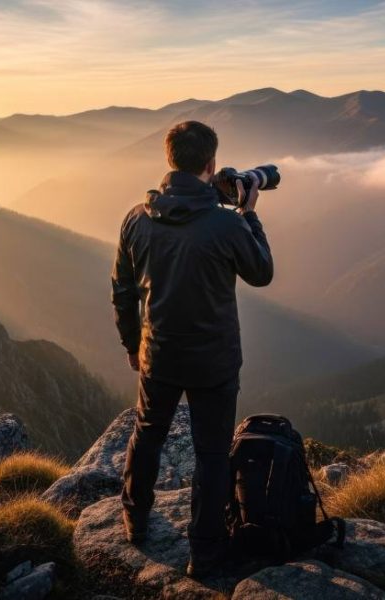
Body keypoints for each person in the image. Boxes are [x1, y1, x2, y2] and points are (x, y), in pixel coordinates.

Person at [111, 120, 273, 578]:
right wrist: (249, 213)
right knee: (211, 454)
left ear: (170, 160)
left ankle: (134, 521)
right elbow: (261, 272)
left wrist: (131, 344)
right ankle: (204, 552)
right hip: (214, 362)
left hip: (157, 353)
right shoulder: (225, 223)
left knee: (147, 434)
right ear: (211, 164)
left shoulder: (135, 218)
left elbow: (122, 290)